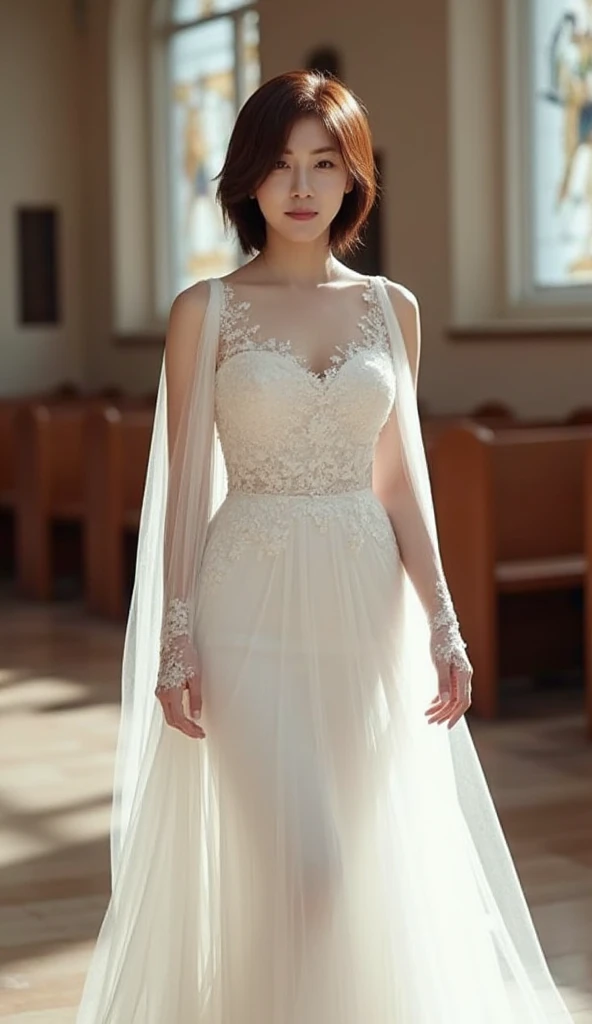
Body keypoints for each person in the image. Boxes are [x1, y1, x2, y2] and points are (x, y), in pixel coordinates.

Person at [77, 71, 574, 1023]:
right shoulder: (205, 311)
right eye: (279, 165)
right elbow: (186, 489)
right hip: (245, 601)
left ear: (353, 181)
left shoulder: (395, 310)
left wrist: (442, 623)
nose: (301, 186)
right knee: (308, 862)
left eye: (323, 164)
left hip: (363, 604)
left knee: (353, 860)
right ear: (248, 183)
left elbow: (400, 480)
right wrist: (176, 635)